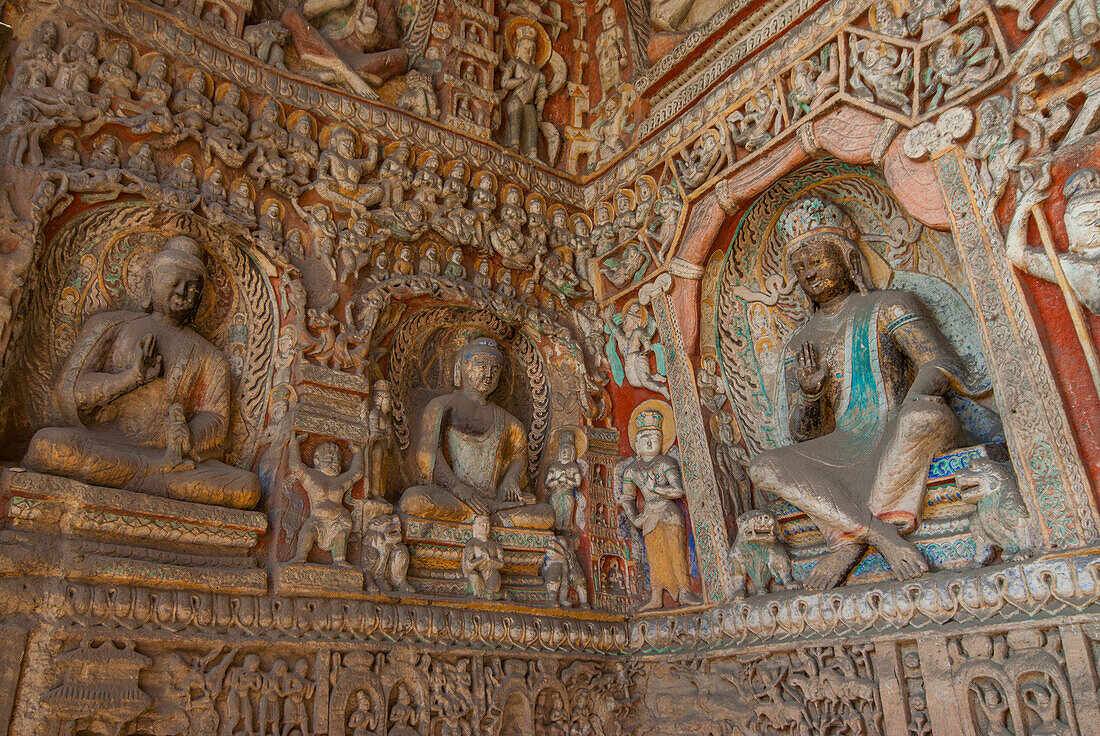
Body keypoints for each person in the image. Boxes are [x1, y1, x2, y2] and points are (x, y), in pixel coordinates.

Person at [748, 193, 969, 589]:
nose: (808, 274)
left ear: (848, 258)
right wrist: (811, 394)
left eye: (816, 260)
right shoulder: (802, 340)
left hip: (898, 430)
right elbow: (805, 435)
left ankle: (846, 536)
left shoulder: (891, 304)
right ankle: (878, 534)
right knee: (763, 466)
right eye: (800, 268)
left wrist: (910, 405)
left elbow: (940, 364)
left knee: (927, 417)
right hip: (841, 446)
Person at [22, 236, 260, 509]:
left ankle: (138, 478)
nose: (182, 293)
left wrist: (189, 436)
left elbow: (216, 417)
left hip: (171, 460)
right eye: (173, 282)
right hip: (105, 445)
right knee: (49, 446)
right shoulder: (111, 325)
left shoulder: (209, 356)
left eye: (193, 289)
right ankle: (148, 479)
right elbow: (69, 394)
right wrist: (130, 379)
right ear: (150, 283)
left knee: (247, 488)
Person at [398, 337, 555, 529]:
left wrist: (510, 480)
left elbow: (518, 458)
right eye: (481, 365)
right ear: (462, 367)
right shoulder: (442, 406)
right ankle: (490, 515)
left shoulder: (510, 422)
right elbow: (428, 454)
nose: (488, 374)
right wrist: (458, 488)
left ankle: (484, 513)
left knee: (546, 515)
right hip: (454, 496)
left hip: (492, 498)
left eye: (495, 369)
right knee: (414, 500)